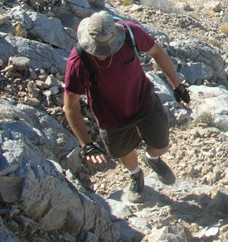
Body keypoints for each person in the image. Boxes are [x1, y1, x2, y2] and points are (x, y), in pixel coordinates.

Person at [63, 11, 190, 203]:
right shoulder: (79, 61)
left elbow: (157, 52)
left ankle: (152, 159)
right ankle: (135, 174)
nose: (103, 55)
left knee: (161, 144)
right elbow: (70, 106)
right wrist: (86, 143)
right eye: (98, 49)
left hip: (143, 100)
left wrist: (177, 85)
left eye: (108, 49)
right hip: (110, 115)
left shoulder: (132, 33)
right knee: (123, 151)